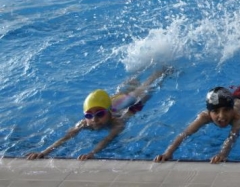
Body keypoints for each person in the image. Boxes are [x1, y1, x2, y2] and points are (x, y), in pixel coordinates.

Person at [26, 66, 169, 161]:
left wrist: (92, 153)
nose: (94, 119)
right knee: (127, 87)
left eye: (99, 114)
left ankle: (162, 70)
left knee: (144, 91)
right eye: (89, 115)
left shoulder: (117, 123)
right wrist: (43, 153)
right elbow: (65, 138)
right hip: (111, 102)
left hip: (126, 105)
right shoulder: (83, 123)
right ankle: (138, 69)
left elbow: (107, 140)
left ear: (109, 114)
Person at [153, 63, 240, 164]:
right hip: (236, 94)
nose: (221, 116)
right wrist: (168, 153)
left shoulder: (238, 115)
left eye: (226, 110)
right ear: (209, 112)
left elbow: (232, 137)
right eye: (215, 111)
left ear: (231, 109)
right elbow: (184, 134)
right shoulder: (204, 116)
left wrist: (222, 154)